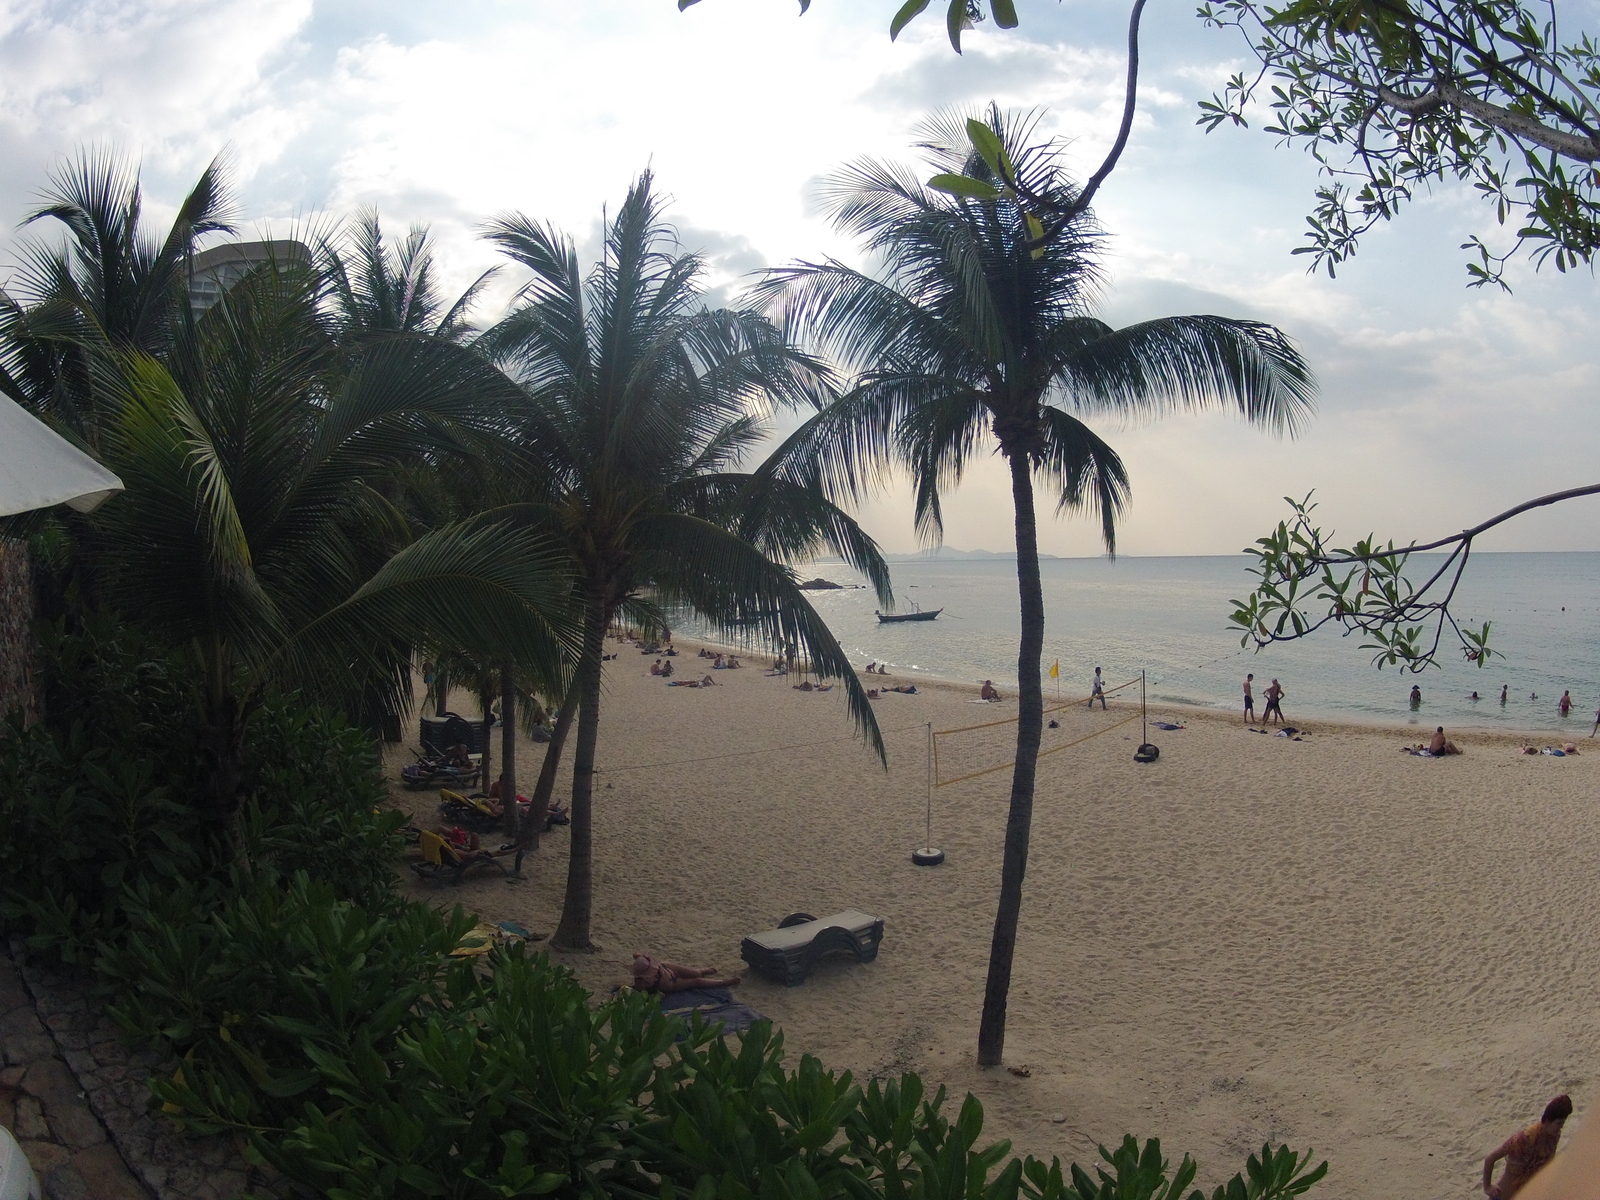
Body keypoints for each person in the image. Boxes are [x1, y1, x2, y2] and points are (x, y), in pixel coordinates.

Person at [1482, 1094, 1572, 1199]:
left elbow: (1547, 1167)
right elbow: (1490, 1158)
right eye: (1558, 1123)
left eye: (1563, 1123)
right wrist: (1487, 1187)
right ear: (1547, 1121)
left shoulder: (1554, 1137)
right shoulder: (1525, 1138)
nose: (1561, 1127)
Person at [631, 954, 741, 994]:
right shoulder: (646, 986)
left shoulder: (646, 971)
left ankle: (702, 971)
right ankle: (723, 983)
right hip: (673, 983)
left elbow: (636, 955)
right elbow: (659, 995)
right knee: (696, 982)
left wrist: (640, 958)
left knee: (695, 973)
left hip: (666, 967)